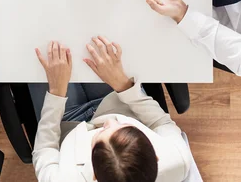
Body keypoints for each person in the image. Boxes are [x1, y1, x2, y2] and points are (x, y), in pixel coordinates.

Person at [32, 38, 192, 181]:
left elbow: (44, 149)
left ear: (95, 175)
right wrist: (123, 85)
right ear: (156, 157)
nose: (109, 121)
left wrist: (56, 93)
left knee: (39, 47)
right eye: (125, 128)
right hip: (118, 98)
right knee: (98, 39)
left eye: (101, 133)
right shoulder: (176, 161)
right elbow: (160, 122)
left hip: (64, 120)